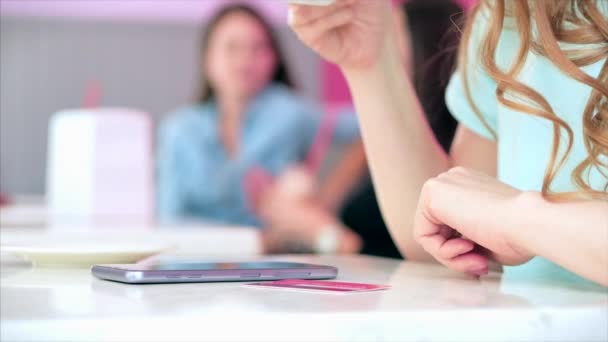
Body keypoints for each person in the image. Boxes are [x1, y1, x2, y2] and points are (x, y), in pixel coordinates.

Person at [288, 0, 608, 287]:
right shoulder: (503, 19)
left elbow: (498, 217)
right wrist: (371, 62)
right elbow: (449, 234)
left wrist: (516, 218)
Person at [157, 4, 364, 240]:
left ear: (273, 58)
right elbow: (168, 218)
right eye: (232, 48)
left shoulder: (290, 112)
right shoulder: (179, 130)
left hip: (275, 257)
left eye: (257, 48)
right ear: (207, 58)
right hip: (195, 256)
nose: (245, 60)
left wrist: (328, 198)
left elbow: (367, 129)